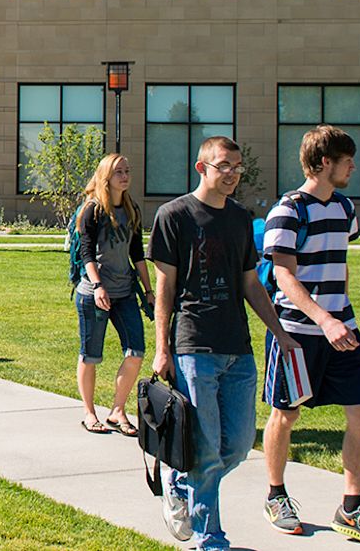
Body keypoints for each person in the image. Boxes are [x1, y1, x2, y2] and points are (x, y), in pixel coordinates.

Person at [149, 136, 301, 551]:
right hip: (193, 345)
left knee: (235, 447)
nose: (232, 173)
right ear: (202, 168)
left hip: (238, 347)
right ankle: (209, 538)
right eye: (223, 166)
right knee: (208, 451)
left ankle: (179, 480)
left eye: (237, 167)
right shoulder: (174, 215)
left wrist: (280, 332)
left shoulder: (240, 219)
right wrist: (162, 347)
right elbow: (165, 287)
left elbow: (251, 284)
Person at [258, 125, 360, 548]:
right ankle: (276, 497)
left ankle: (351, 509)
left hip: (342, 328)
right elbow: (283, 275)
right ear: (323, 164)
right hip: (297, 334)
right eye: (346, 160)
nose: (353, 166)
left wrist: (342, 315)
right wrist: (324, 320)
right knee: (287, 415)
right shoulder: (288, 210)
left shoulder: (344, 208)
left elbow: (341, 262)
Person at [72, 154, 149, 434]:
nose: (125, 176)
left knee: (136, 351)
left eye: (127, 171)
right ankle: (89, 412)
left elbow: (137, 254)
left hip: (124, 292)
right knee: (90, 354)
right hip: (94, 294)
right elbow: (86, 252)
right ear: (106, 176)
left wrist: (149, 290)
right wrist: (98, 286)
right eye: (119, 172)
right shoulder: (92, 210)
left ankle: (118, 410)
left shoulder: (131, 210)